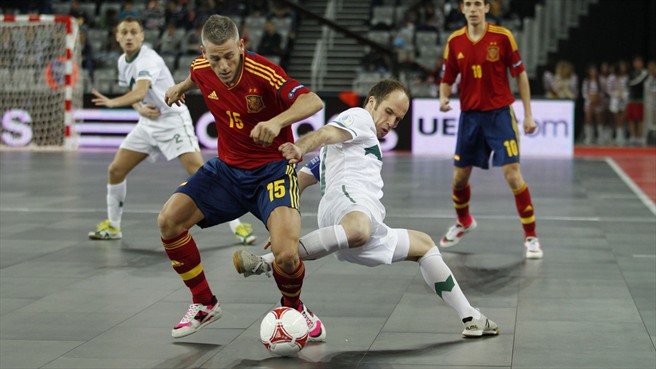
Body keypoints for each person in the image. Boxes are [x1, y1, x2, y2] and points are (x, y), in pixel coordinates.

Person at [233, 80, 499, 337]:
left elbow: (304, 178)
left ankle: (471, 318)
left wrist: (283, 222)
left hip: (360, 218)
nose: (391, 123)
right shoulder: (358, 117)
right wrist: (301, 146)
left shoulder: (354, 142)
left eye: (398, 119)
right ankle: (269, 263)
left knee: (424, 245)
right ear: (372, 102)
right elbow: (326, 133)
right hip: (351, 205)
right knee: (359, 229)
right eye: (389, 112)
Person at [158, 15, 325, 339]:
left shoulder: (263, 72)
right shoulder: (201, 67)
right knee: (169, 221)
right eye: (214, 57)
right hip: (227, 172)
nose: (222, 65)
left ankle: (294, 307)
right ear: (204, 52)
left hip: (273, 171)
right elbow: (196, 74)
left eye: (229, 56)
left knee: (287, 256)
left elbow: (312, 101)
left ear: (242, 46)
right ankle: (204, 303)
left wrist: (277, 122)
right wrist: (181, 86)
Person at [88, 17, 256, 246]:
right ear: (117, 36)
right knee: (116, 170)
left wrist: (111, 103)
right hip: (148, 124)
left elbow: (139, 91)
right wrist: (141, 110)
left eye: (134, 32)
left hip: (172, 121)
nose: (129, 36)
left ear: (142, 36)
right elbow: (137, 96)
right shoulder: (122, 61)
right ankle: (113, 226)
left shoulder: (148, 60)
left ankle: (239, 226)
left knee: (201, 172)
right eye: (124, 32)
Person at [438, 0, 543, 259]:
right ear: (462, 9)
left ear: (487, 8)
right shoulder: (454, 41)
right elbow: (447, 77)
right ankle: (464, 221)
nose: (473, 9)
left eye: (478, 4)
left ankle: (531, 237)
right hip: (470, 118)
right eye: (468, 4)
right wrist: (443, 97)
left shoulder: (503, 37)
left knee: (512, 174)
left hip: (499, 117)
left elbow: (520, 75)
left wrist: (528, 115)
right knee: (459, 179)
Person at [626, 55, 649, 146]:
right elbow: (629, 84)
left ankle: (640, 137)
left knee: (639, 119)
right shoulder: (631, 73)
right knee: (631, 119)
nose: (637, 64)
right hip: (631, 99)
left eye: (639, 62)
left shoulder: (645, 74)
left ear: (642, 63)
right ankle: (633, 137)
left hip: (640, 99)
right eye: (636, 62)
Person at [581, 63, 603, 145]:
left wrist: (597, 98)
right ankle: (588, 137)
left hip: (598, 102)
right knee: (588, 119)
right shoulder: (586, 81)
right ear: (589, 72)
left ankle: (600, 137)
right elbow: (584, 93)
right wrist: (591, 98)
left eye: (594, 71)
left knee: (599, 119)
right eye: (591, 71)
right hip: (589, 102)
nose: (593, 72)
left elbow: (602, 92)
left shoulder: (599, 81)